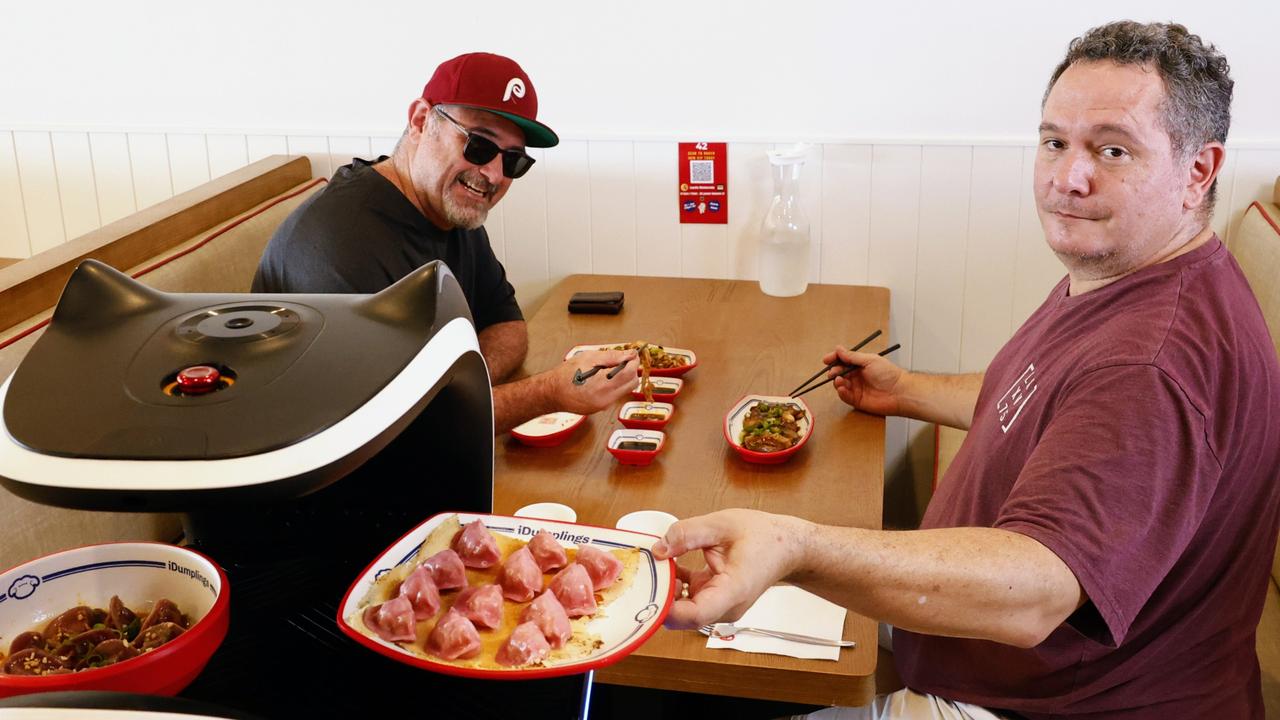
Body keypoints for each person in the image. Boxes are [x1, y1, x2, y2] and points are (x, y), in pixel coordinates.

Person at [653, 21, 1280, 719]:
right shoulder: (1129, 273)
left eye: (1112, 149)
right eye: (1054, 142)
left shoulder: (1153, 359)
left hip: (1035, 701)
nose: (1068, 178)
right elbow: (1057, 404)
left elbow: (1037, 590)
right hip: (971, 651)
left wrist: (797, 547)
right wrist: (905, 391)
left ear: (1198, 170)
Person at [252, 52, 636, 434]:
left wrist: (455, 389)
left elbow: (507, 324)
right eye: (479, 145)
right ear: (420, 120)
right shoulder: (339, 243)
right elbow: (393, 425)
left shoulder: (452, 210)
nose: (494, 174)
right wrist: (550, 392)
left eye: (514, 161)